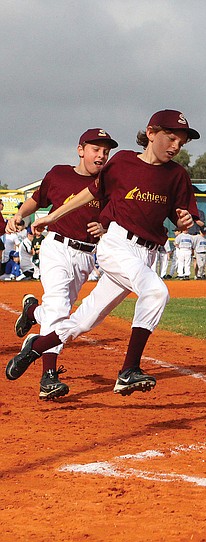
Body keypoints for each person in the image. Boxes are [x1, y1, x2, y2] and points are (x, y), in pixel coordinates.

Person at [8, 110, 201, 396]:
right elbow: (91, 192)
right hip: (117, 245)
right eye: (170, 137)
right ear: (150, 133)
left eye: (181, 143)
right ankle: (128, 370)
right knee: (156, 292)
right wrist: (51, 216)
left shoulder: (177, 175)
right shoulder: (122, 161)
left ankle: (34, 348)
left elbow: (184, 216)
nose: (175, 146)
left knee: (85, 320)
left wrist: (186, 221)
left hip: (146, 253)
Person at [6, 128, 117, 400]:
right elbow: (36, 200)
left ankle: (33, 313)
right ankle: (48, 376)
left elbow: (116, 218)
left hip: (86, 255)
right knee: (58, 306)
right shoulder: (58, 174)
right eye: (95, 149)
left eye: (106, 150)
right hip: (56, 247)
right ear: (80, 150)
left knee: (61, 314)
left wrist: (104, 227)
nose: (101, 155)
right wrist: (19, 215)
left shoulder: (110, 184)